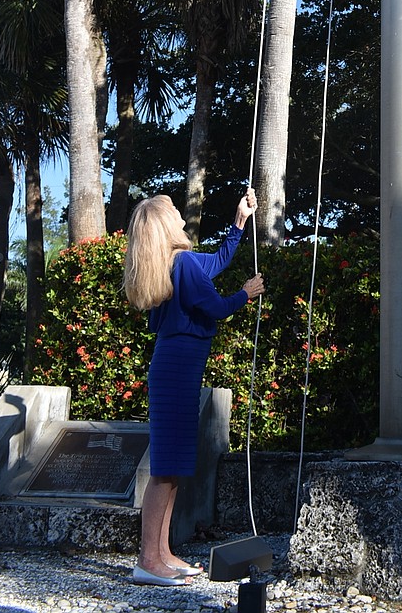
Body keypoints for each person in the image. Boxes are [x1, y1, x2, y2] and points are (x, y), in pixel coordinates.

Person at [123, 192, 264, 586]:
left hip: (175, 369)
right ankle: (148, 559)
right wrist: (246, 294)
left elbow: (217, 262)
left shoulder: (177, 263)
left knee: (174, 469)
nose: (178, 213)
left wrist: (239, 221)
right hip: (176, 372)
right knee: (166, 470)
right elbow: (216, 307)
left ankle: (162, 553)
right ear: (165, 226)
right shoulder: (182, 263)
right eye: (172, 211)